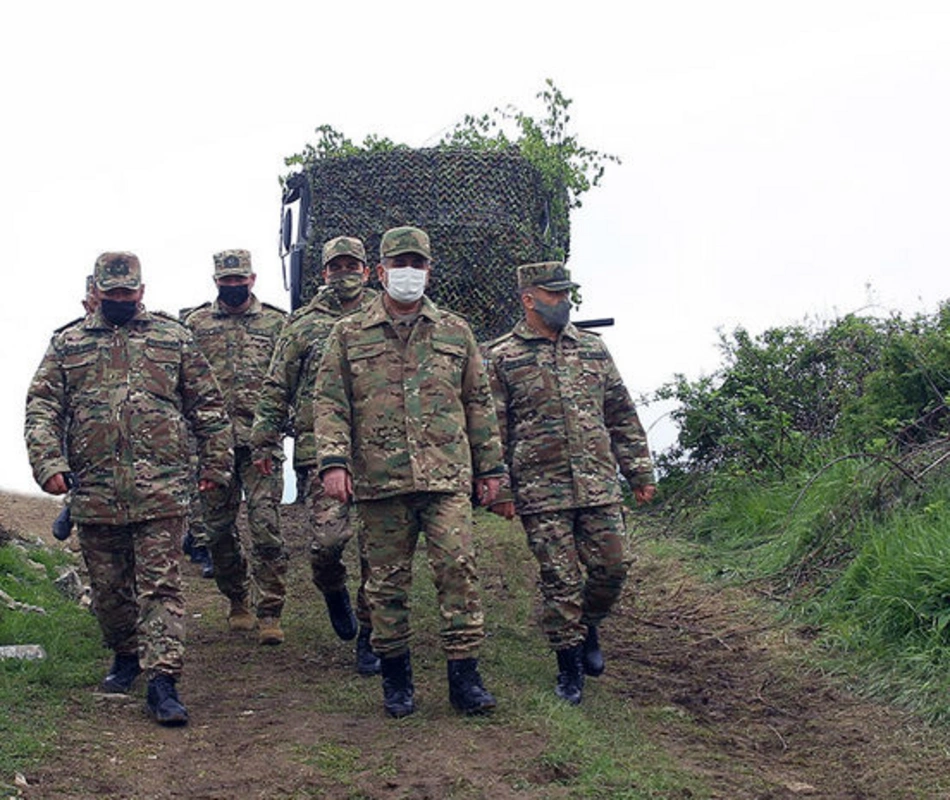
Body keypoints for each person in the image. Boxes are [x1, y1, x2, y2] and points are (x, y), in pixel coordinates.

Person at [24, 251, 233, 726]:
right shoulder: (67, 344)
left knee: (159, 587)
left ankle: (163, 681)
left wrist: (215, 465)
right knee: (110, 591)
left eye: (127, 291)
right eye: (111, 292)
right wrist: (49, 463)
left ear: (142, 290)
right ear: (96, 291)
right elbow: (41, 408)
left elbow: (208, 408)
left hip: (160, 489)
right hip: (95, 491)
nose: (120, 299)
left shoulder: (173, 340)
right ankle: (124, 653)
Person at [313, 225, 505, 718]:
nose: (408, 273)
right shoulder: (348, 333)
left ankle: (466, 678)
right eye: (398, 264)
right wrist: (333, 461)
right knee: (386, 583)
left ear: (428, 270)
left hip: (446, 479)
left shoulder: (455, 332)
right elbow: (331, 403)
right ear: (380, 272)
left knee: (458, 572)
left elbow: (478, 403)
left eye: (416, 264)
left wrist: (491, 469)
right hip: (380, 481)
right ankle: (396, 679)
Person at [484, 261, 657, 705]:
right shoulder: (502, 356)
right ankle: (569, 666)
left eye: (566, 294)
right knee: (559, 579)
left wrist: (638, 471)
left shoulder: (594, 350)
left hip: (597, 483)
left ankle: (589, 624)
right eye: (555, 295)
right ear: (529, 299)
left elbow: (621, 413)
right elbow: (492, 430)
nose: (564, 302)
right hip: (541, 491)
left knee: (613, 568)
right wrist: (499, 487)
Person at [251, 236, 380, 673]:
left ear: (366, 270)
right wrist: (264, 439)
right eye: (336, 266)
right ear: (324, 272)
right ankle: (331, 586)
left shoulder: (383, 315)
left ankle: (371, 634)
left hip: (381, 450)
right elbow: (276, 387)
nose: (344, 273)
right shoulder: (303, 324)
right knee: (326, 544)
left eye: (352, 265)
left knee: (377, 551)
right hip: (320, 452)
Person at [181, 249, 288, 645]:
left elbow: (287, 381)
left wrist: (277, 429)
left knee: (266, 529)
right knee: (218, 532)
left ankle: (271, 610)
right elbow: (183, 383)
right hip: (213, 447)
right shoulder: (195, 324)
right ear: (216, 282)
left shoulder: (277, 323)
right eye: (225, 281)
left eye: (239, 280)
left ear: (252, 279)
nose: (233, 287)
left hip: (260, 445)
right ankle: (238, 599)